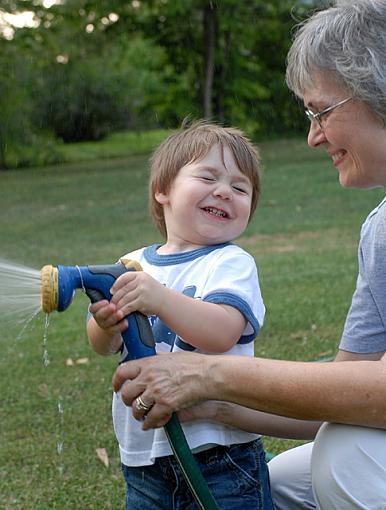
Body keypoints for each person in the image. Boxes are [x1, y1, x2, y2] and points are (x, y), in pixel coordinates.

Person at [111, 1, 386, 509]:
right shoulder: (380, 229)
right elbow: (349, 394)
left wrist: (210, 374)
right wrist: (215, 405)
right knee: (278, 484)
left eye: (321, 111)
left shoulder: (231, 265)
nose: (312, 136)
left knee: (344, 461)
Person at [87, 121, 274, 509]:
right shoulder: (132, 263)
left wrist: (161, 299)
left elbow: (222, 332)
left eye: (240, 188)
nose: (224, 191)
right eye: (208, 177)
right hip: (143, 458)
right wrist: (105, 324)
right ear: (163, 191)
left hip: (220, 456)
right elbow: (104, 345)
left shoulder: (231, 262)